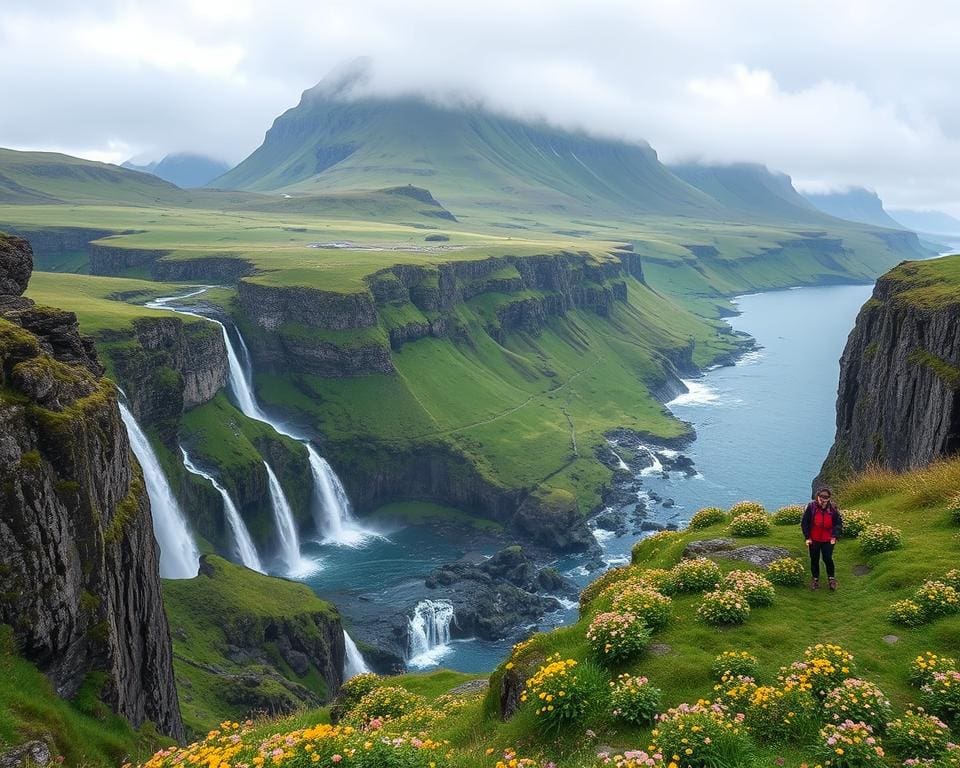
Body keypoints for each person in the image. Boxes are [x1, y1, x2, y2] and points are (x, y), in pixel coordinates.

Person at [801, 486, 843, 591]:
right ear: (818, 497)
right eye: (821, 497)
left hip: (828, 539)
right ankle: (815, 579)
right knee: (814, 559)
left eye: (826, 497)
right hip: (814, 539)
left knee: (827, 558)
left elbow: (838, 524)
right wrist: (807, 537)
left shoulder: (832, 509)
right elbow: (805, 523)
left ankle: (831, 579)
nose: (823, 499)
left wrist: (834, 536)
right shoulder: (811, 507)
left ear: (829, 498)